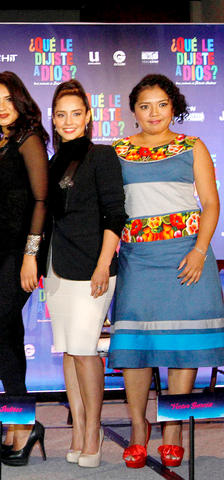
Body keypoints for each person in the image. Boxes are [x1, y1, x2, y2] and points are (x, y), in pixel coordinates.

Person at [109, 74, 224, 469]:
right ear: (134, 111)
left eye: (161, 104)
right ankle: (138, 429)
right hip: (137, 259)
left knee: (182, 346)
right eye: (145, 106)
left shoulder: (193, 146)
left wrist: (199, 251)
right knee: (135, 348)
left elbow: (211, 203)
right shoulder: (118, 151)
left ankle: (172, 430)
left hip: (185, 256)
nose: (153, 113)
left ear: (173, 107)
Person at [43, 80, 126, 468]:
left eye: (76, 113)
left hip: (93, 268)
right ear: (53, 119)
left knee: (85, 349)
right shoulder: (53, 161)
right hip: (57, 269)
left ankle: (93, 432)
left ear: (89, 116)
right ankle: (78, 430)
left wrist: (103, 264)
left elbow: (115, 214)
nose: (68, 121)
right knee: (69, 351)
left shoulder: (102, 156)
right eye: (61, 115)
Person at [0, 71, 48, 466]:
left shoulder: (29, 139)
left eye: (7, 99)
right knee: (9, 330)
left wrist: (31, 254)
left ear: (20, 101)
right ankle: (22, 422)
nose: (1, 107)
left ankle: (23, 420)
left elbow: (41, 200)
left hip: (22, 251)